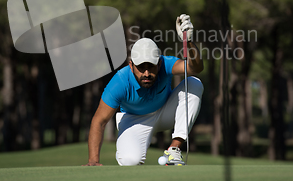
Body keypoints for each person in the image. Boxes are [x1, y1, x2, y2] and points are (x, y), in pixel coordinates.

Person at [85, 14, 204, 166]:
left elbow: (196, 68)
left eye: (151, 67)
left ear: (159, 64)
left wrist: (189, 42)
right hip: (134, 121)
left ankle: (174, 149)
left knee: (194, 83)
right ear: (131, 65)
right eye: (141, 68)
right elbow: (99, 121)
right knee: (130, 161)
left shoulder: (165, 64)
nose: (146, 74)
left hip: (165, 112)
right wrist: (93, 160)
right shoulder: (120, 82)